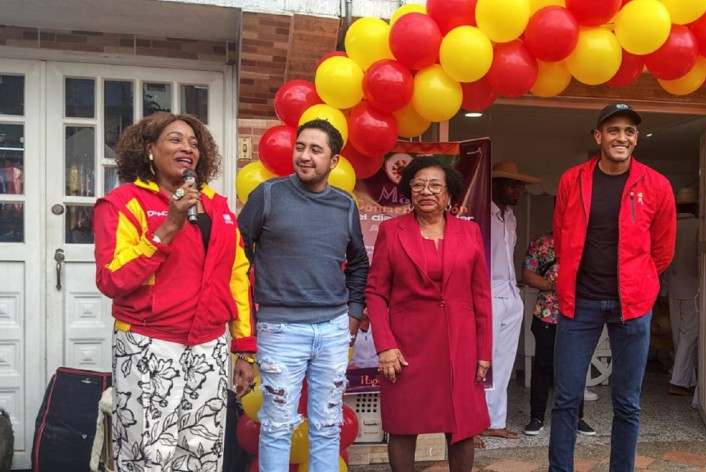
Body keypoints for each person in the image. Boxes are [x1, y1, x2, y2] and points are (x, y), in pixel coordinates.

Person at [93, 112, 255, 471]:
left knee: (202, 452)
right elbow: (112, 279)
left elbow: (238, 277)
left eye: (195, 143)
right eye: (176, 139)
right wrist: (168, 226)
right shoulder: (123, 203)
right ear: (149, 150)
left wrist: (244, 348)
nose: (188, 148)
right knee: (149, 453)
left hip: (209, 346)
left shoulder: (217, 207)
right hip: (149, 345)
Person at [550, 103, 676, 472]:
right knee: (567, 398)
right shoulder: (572, 180)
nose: (622, 137)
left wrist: (642, 285)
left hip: (632, 307)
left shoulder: (656, 185)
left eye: (629, 131)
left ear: (636, 139)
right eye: (614, 130)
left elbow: (663, 249)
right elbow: (561, 237)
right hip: (580, 304)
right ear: (598, 136)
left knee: (627, 402)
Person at [237, 119, 368, 472]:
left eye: (315, 149)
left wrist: (353, 312)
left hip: (333, 331)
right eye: (300, 147)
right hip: (280, 330)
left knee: (328, 426)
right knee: (277, 426)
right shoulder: (267, 195)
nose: (305, 156)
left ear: (334, 161)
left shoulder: (345, 204)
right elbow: (236, 255)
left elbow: (358, 262)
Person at [366, 156, 492, 471]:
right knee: (403, 425)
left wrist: (484, 351)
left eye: (436, 185)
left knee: (461, 426)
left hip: (459, 345)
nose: (427, 191)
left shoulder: (470, 232)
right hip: (406, 347)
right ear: (410, 192)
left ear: (449, 194)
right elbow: (376, 292)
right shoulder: (392, 231)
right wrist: (385, 345)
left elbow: (481, 296)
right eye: (419, 185)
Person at [483, 161, 541, 443]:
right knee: (481, 360)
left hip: (510, 293)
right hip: (486, 293)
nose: (517, 189)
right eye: (512, 184)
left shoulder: (512, 217)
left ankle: (495, 421)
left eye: (520, 185)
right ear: (494, 185)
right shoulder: (480, 214)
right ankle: (472, 423)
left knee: (504, 363)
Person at [522, 230, 595, 437]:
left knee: (576, 367)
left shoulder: (586, 240)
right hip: (546, 313)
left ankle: (577, 417)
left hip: (578, 315)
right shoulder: (541, 243)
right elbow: (527, 274)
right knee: (543, 366)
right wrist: (555, 285)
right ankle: (536, 418)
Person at [666, 187, 700, 397]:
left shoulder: (669, 226)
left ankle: (687, 377)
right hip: (693, 288)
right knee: (691, 334)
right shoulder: (698, 225)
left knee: (680, 334)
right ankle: (678, 380)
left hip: (672, 286)